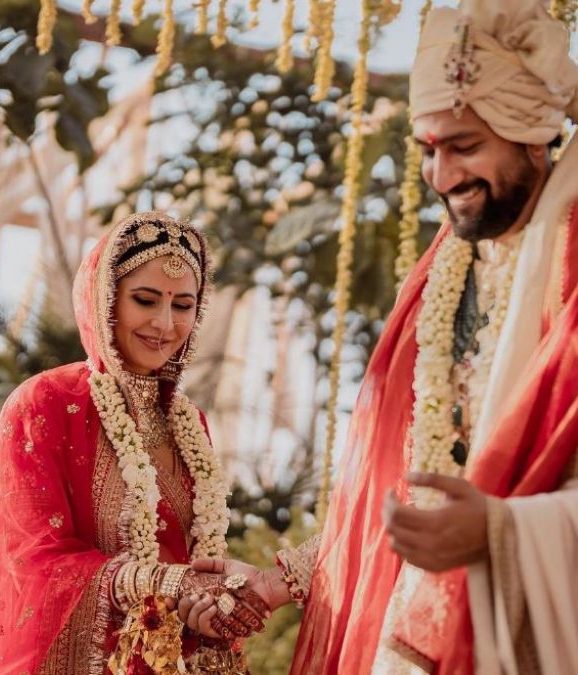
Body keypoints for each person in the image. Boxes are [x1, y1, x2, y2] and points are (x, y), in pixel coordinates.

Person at [193, 1, 578, 673]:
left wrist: (499, 532)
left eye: (464, 146)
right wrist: (285, 577)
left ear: (530, 134)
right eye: (428, 149)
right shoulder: (443, 274)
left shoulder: (568, 268)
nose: (440, 174)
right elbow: (391, 493)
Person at [0, 212, 270, 674]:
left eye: (183, 306)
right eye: (145, 300)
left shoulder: (190, 424)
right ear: (105, 299)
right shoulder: (46, 403)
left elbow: (189, 556)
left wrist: (208, 599)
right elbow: (26, 560)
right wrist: (165, 584)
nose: (164, 324)